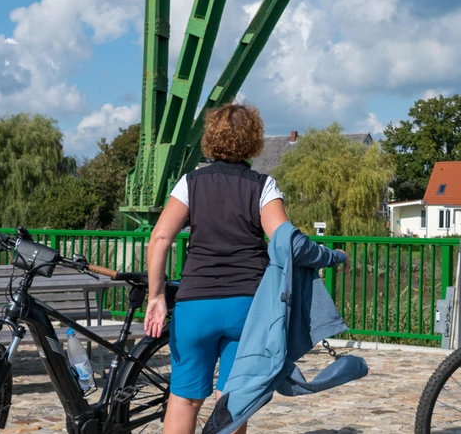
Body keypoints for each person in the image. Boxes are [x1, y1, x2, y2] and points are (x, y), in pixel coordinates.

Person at [142, 103, 347, 434]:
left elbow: (160, 237)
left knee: (184, 399)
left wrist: (156, 296)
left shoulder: (190, 183)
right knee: (233, 400)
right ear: (254, 140)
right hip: (247, 309)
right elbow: (287, 242)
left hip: (196, 304)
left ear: (211, 139)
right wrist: (332, 256)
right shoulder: (262, 186)